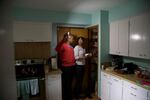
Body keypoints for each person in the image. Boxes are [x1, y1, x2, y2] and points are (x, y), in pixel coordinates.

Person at [55, 32, 75, 100]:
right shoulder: (63, 45)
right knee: (66, 83)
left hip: (72, 66)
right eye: (71, 38)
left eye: (72, 38)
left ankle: (69, 97)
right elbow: (57, 49)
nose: (73, 39)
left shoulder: (71, 46)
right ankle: (65, 97)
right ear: (68, 38)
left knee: (70, 83)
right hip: (66, 67)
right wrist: (63, 39)